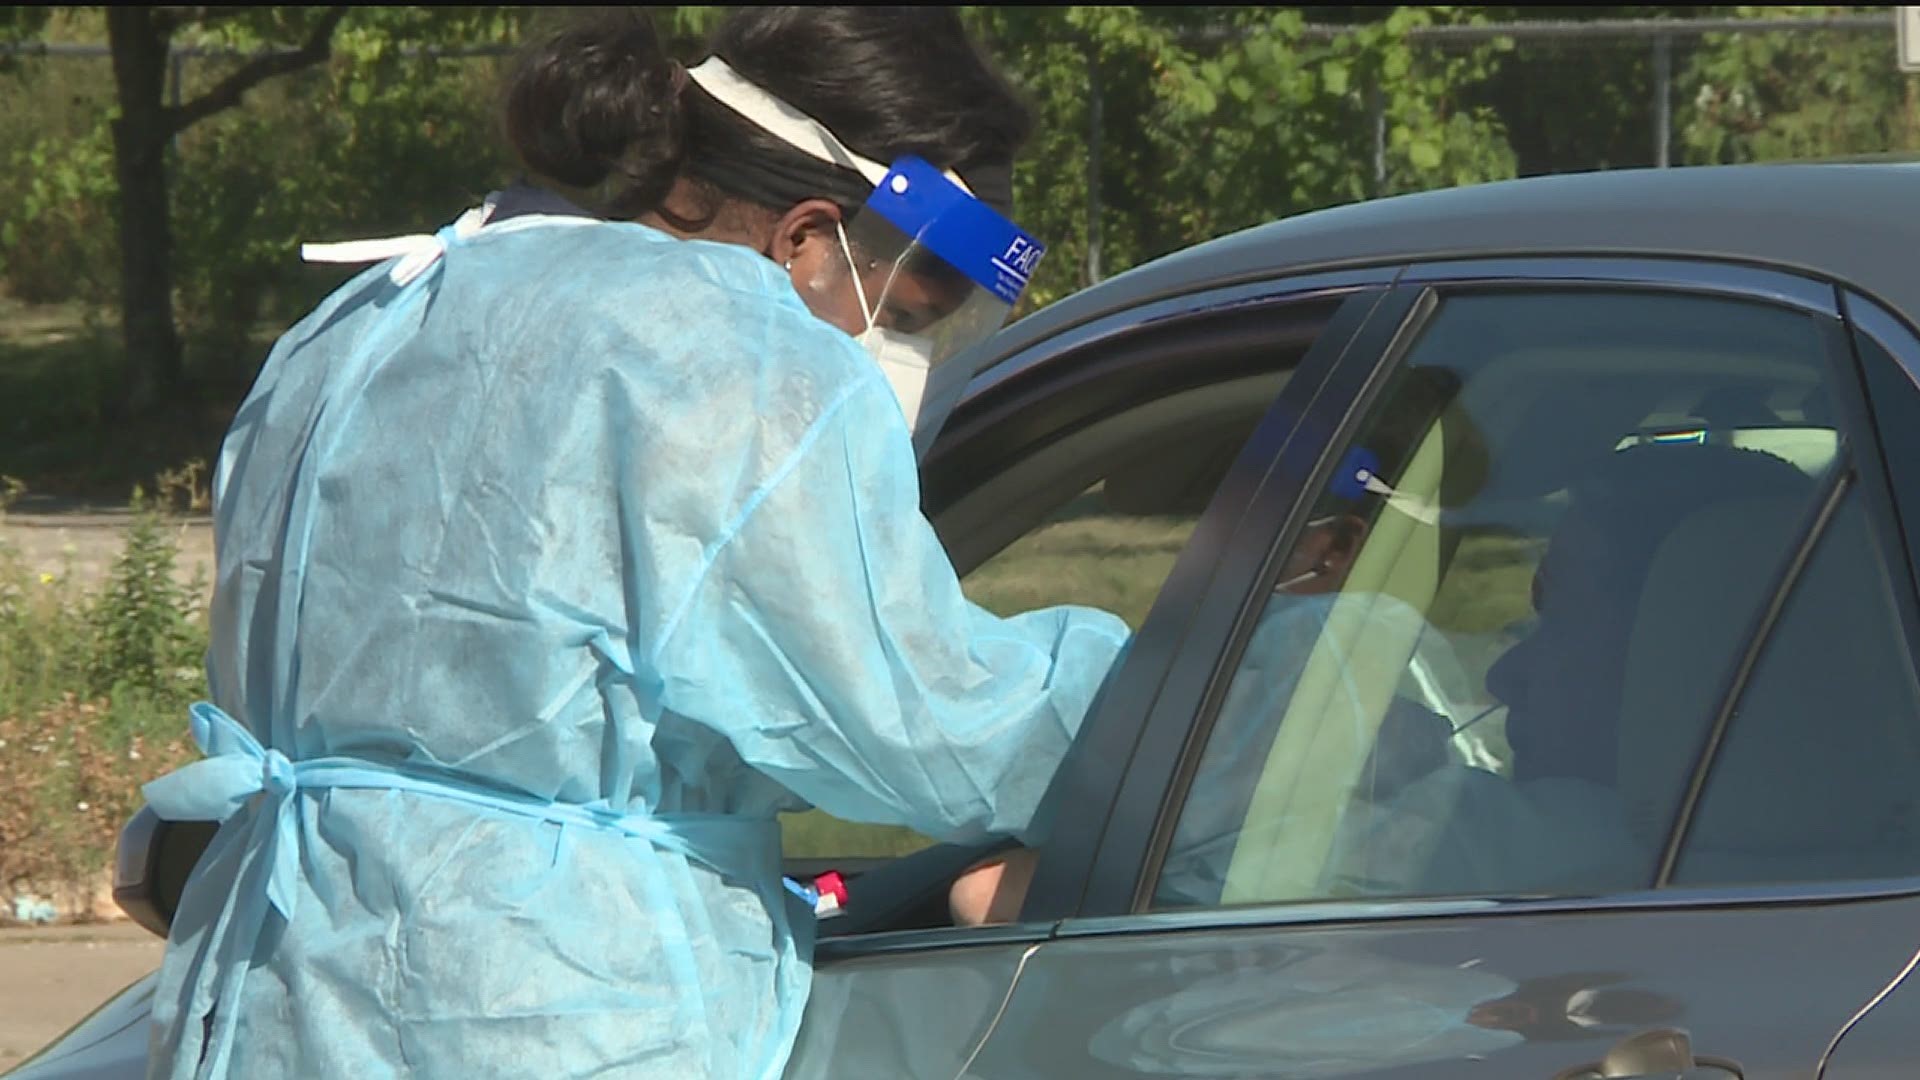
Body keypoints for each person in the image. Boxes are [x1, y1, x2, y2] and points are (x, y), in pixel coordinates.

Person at [137, 8, 1131, 1079]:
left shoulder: (361, 316)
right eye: (906, 311)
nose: (898, 350)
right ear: (806, 238)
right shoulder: (735, 361)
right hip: (537, 1014)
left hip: (263, 1001)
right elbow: (921, 721)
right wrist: (1202, 702)